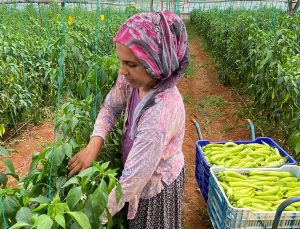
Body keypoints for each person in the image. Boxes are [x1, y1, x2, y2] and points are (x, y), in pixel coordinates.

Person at [68, 10, 189, 229]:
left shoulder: (160, 114)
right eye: (121, 61)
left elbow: (131, 183)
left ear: (157, 63)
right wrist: (93, 145)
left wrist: (92, 219)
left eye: (131, 64)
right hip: (138, 174)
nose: (122, 71)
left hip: (154, 187)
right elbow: (111, 107)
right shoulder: (134, 80)